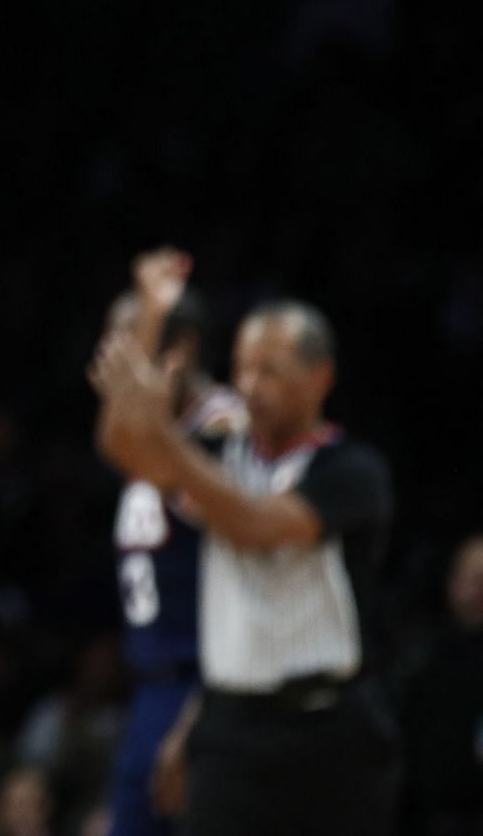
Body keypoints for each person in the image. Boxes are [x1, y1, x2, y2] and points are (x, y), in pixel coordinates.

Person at [94, 299, 399, 835]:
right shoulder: (216, 453)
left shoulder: (353, 471)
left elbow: (254, 527)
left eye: (270, 372)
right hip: (231, 726)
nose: (250, 386)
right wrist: (134, 375)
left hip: (327, 730)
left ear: (319, 378)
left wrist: (163, 436)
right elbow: (123, 448)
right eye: (242, 369)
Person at [93, 248, 243, 835]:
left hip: (206, 682)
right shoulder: (155, 429)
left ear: (176, 353)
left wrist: (201, 711)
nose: (108, 364)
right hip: (154, 681)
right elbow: (118, 440)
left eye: (122, 346)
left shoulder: (226, 433)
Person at [395, 533, 483, 834]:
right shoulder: (420, 649)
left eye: (482, 582)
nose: (474, 591)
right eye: (468, 578)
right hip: (418, 812)